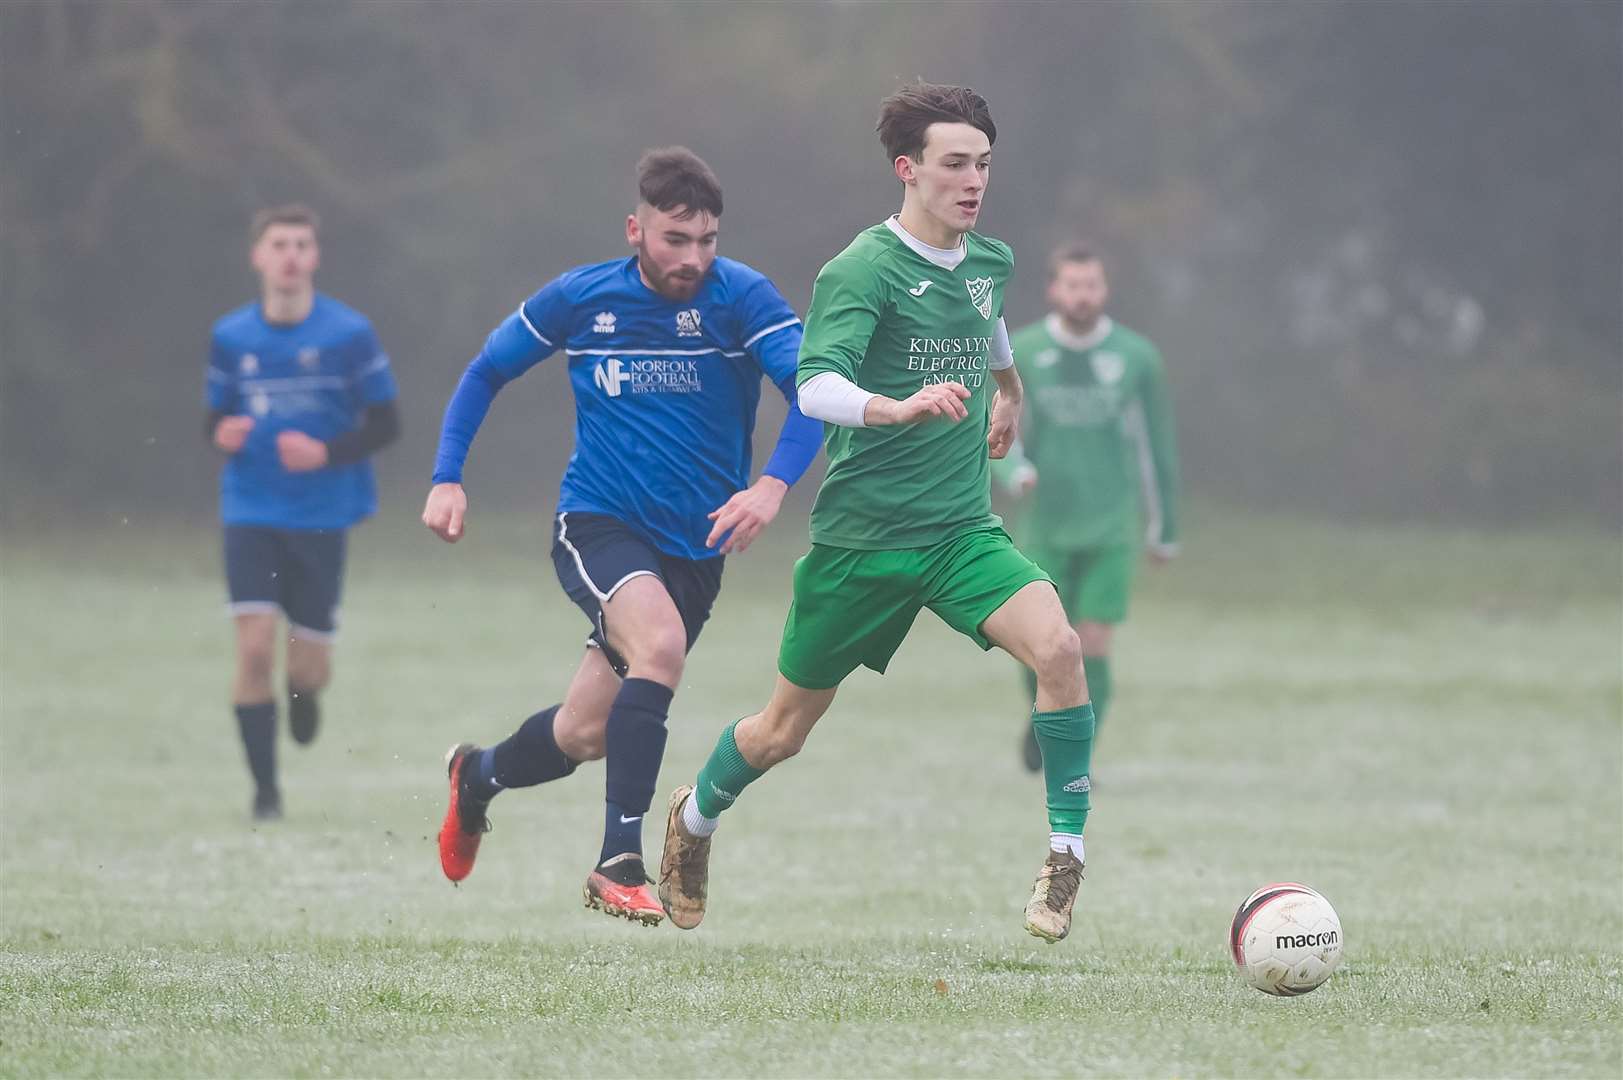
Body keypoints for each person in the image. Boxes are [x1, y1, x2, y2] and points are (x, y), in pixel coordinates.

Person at [658, 83, 1097, 945]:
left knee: (1060, 647)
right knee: (781, 732)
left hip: (959, 531)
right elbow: (814, 382)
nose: (973, 181)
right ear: (908, 170)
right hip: (862, 543)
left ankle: (1064, 855)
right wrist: (891, 407)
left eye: (982, 165)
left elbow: (987, 319)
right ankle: (694, 820)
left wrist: (1006, 390)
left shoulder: (989, 259)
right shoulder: (861, 268)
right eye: (954, 165)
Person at [425, 147, 822, 926]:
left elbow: (809, 394)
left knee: (584, 733)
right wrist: (446, 475)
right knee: (661, 648)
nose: (694, 257)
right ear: (636, 230)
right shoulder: (583, 297)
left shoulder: (741, 298)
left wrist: (770, 486)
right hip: (598, 521)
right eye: (677, 239)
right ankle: (618, 860)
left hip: (696, 546)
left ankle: (477, 777)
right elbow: (485, 372)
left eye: (707, 240)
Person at [205, 203, 401, 821]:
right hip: (251, 509)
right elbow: (214, 417)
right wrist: (222, 433)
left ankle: (306, 693)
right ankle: (266, 793)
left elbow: (387, 423)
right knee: (255, 649)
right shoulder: (231, 337)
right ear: (258, 256)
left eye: (300, 245)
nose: (289, 256)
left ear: (314, 257)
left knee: (306, 667)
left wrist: (325, 451)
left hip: (323, 512)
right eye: (278, 244)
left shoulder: (348, 334)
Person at [993, 245, 1181, 771]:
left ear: (1106, 290)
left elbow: (1156, 447)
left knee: (1092, 644)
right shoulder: (1022, 351)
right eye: (1072, 285)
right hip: (1044, 528)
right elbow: (996, 431)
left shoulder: (1136, 357)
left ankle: (1075, 760)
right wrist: (1015, 471)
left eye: (1091, 285)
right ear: (1054, 290)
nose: (1082, 295)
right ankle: (1041, 716)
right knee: (1041, 646)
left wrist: (1164, 530)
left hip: (1109, 528)